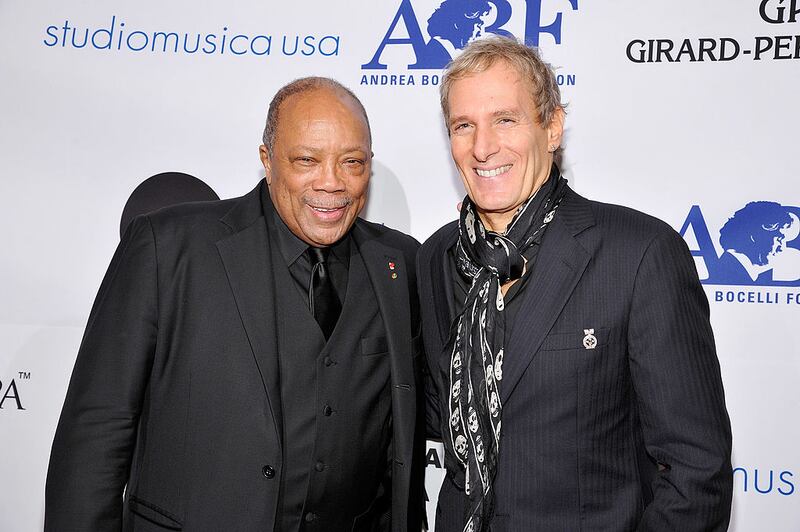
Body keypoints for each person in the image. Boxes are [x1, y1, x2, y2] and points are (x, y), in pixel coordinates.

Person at [45, 77, 425, 531]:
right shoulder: (168, 248)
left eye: (352, 162)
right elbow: (96, 434)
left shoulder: (399, 262)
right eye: (307, 160)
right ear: (267, 160)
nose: (332, 182)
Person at [417, 37, 733, 531]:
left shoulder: (639, 253)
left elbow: (696, 472)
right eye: (464, 126)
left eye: (505, 119)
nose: (482, 147)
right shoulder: (437, 258)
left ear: (552, 127)